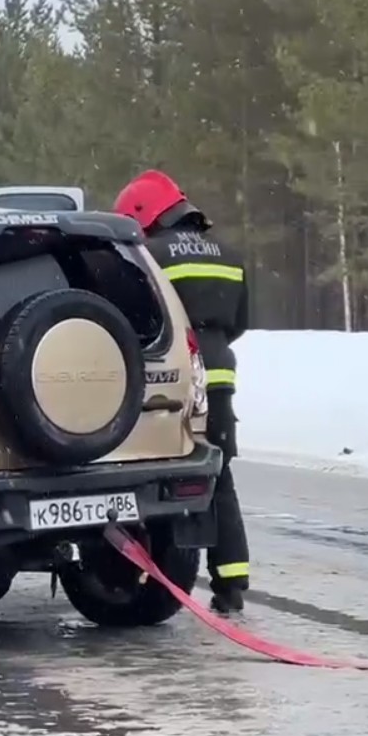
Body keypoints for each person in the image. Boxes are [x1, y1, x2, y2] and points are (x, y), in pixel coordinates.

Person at [114, 170, 251, 614]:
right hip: (221, 378)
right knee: (220, 476)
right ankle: (232, 585)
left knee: (162, 474)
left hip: (172, 378)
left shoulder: (148, 253)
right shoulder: (229, 254)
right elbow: (240, 322)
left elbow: (133, 317)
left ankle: (148, 571)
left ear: (143, 214)